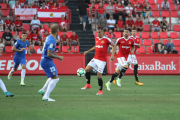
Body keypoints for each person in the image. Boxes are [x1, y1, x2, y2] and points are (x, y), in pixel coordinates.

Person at [81, 27, 115, 95]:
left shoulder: (106, 39)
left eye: (99, 32)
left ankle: (100, 90)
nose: (98, 33)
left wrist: (112, 55)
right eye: (97, 32)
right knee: (87, 69)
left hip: (102, 61)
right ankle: (88, 84)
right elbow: (95, 47)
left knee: (99, 76)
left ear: (102, 32)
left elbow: (114, 46)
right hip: (95, 58)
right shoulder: (96, 38)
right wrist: (87, 51)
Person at [38, 24, 64, 101]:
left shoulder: (49, 37)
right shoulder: (52, 40)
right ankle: (46, 96)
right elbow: (49, 53)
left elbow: (48, 51)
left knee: (53, 76)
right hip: (46, 61)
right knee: (56, 79)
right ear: (57, 31)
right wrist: (58, 57)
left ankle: (43, 90)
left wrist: (56, 55)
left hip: (45, 60)